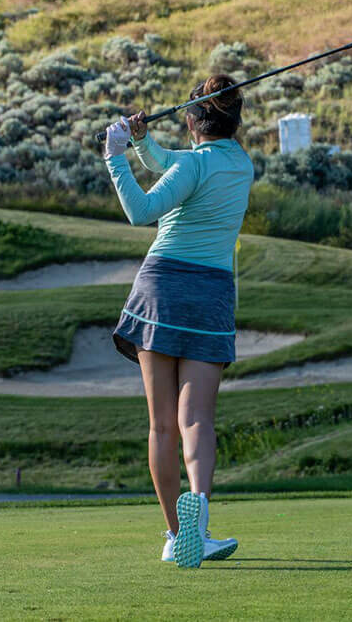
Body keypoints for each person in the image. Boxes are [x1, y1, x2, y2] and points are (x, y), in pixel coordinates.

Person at [101, 73, 254, 569]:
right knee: (197, 421)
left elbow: (142, 210)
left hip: (162, 289)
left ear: (192, 120)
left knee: (162, 424)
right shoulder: (241, 166)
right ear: (234, 119)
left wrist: (116, 157)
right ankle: (199, 522)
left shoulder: (192, 165)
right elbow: (179, 167)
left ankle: (174, 534)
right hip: (210, 295)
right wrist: (146, 143)